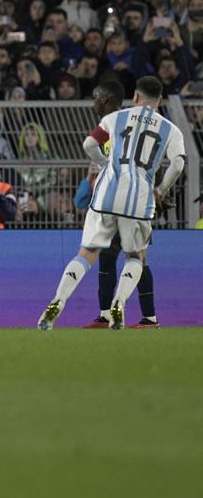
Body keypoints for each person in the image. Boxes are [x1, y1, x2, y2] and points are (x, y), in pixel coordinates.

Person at [39, 77, 186, 330]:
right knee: (136, 256)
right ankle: (119, 303)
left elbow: (89, 144)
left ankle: (58, 300)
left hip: (107, 193)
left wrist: (104, 164)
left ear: (136, 97)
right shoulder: (171, 129)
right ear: (160, 101)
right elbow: (179, 163)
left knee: (87, 253)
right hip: (139, 198)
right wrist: (160, 190)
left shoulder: (114, 118)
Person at [76, 80, 160, 328]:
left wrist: (104, 164)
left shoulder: (116, 124)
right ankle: (115, 315)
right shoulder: (131, 122)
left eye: (95, 97)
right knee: (114, 257)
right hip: (125, 202)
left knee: (134, 258)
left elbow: (94, 149)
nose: (94, 102)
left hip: (126, 201)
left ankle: (145, 318)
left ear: (104, 99)